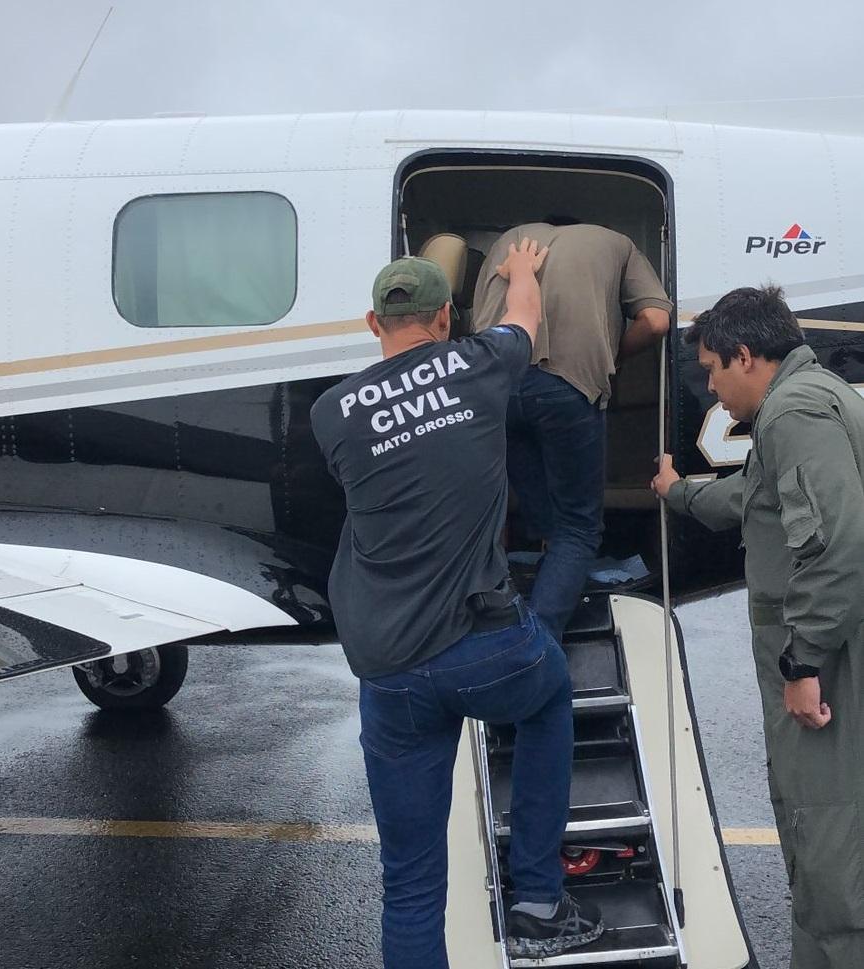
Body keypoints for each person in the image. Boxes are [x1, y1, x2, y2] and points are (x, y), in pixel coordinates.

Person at [311, 242, 603, 969]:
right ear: (444, 316)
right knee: (548, 696)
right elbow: (524, 320)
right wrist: (523, 274)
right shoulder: (482, 365)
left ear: (372, 321)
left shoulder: (330, 414)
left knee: (408, 883)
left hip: (389, 665)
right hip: (483, 648)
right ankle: (538, 898)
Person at [651, 285, 864, 969]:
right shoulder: (816, 396)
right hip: (831, 645)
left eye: (712, 368)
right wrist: (676, 491)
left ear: (745, 356)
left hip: (827, 659)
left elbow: (836, 543)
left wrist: (800, 665)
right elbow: (755, 498)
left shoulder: (792, 412)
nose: (710, 388)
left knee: (827, 843)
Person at [473, 222, 672, 641]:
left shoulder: (506, 240)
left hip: (494, 388)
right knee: (578, 528)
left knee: (540, 511)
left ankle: (533, 590)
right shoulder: (620, 242)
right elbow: (655, 321)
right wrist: (609, 350)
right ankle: (537, 644)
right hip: (568, 383)